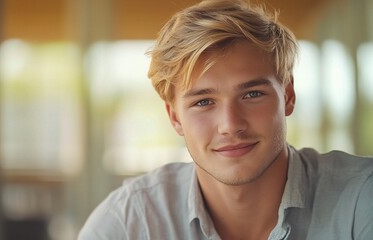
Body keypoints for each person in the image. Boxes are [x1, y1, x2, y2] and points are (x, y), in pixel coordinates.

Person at [78, 0, 373, 239]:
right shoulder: (132, 221)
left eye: (252, 94)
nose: (230, 125)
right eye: (204, 102)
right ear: (175, 118)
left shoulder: (361, 200)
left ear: (288, 95)